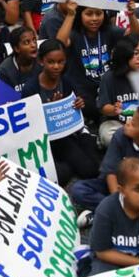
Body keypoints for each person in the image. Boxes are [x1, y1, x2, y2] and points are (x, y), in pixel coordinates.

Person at [21, 39, 101, 186]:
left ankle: (84, 141)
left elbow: (77, 103)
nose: (56, 66)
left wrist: (79, 104)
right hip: (49, 140)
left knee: (96, 166)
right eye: (51, 62)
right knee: (84, 170)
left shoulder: (66, 81)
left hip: (69, 134)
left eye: (61, 62)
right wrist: (48, 108)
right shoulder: (30, 88)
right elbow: (29, 123)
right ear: (41, 61)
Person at [87, 157, 139, 275]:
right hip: (111, 262)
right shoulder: (106, 208)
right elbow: (102, 252)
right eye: (138, 189)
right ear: (122, 191)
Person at [96, 34, 139, 146]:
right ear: (125, 54)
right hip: (118, 123)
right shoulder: (110, 77)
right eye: (136, 53)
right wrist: (113, 109)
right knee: (109, 135)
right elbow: (103, 107)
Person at [0, 26, 40, 94]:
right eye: (27, 42)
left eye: (34, 40)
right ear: (16, 48)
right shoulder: (5, 70)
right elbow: (7, 97)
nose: (33, 45)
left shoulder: (42, 61)